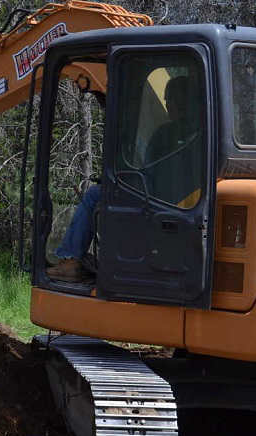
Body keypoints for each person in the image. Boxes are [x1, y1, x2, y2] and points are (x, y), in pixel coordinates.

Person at [47, 75, 200, 282]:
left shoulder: (166, 134)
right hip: (184, 205)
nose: (167, 104)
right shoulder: (201, 134)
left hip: (156, 203)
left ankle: (71, 259)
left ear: (181, 101)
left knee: (94, 195)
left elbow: (147, 173)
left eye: (169, 99)